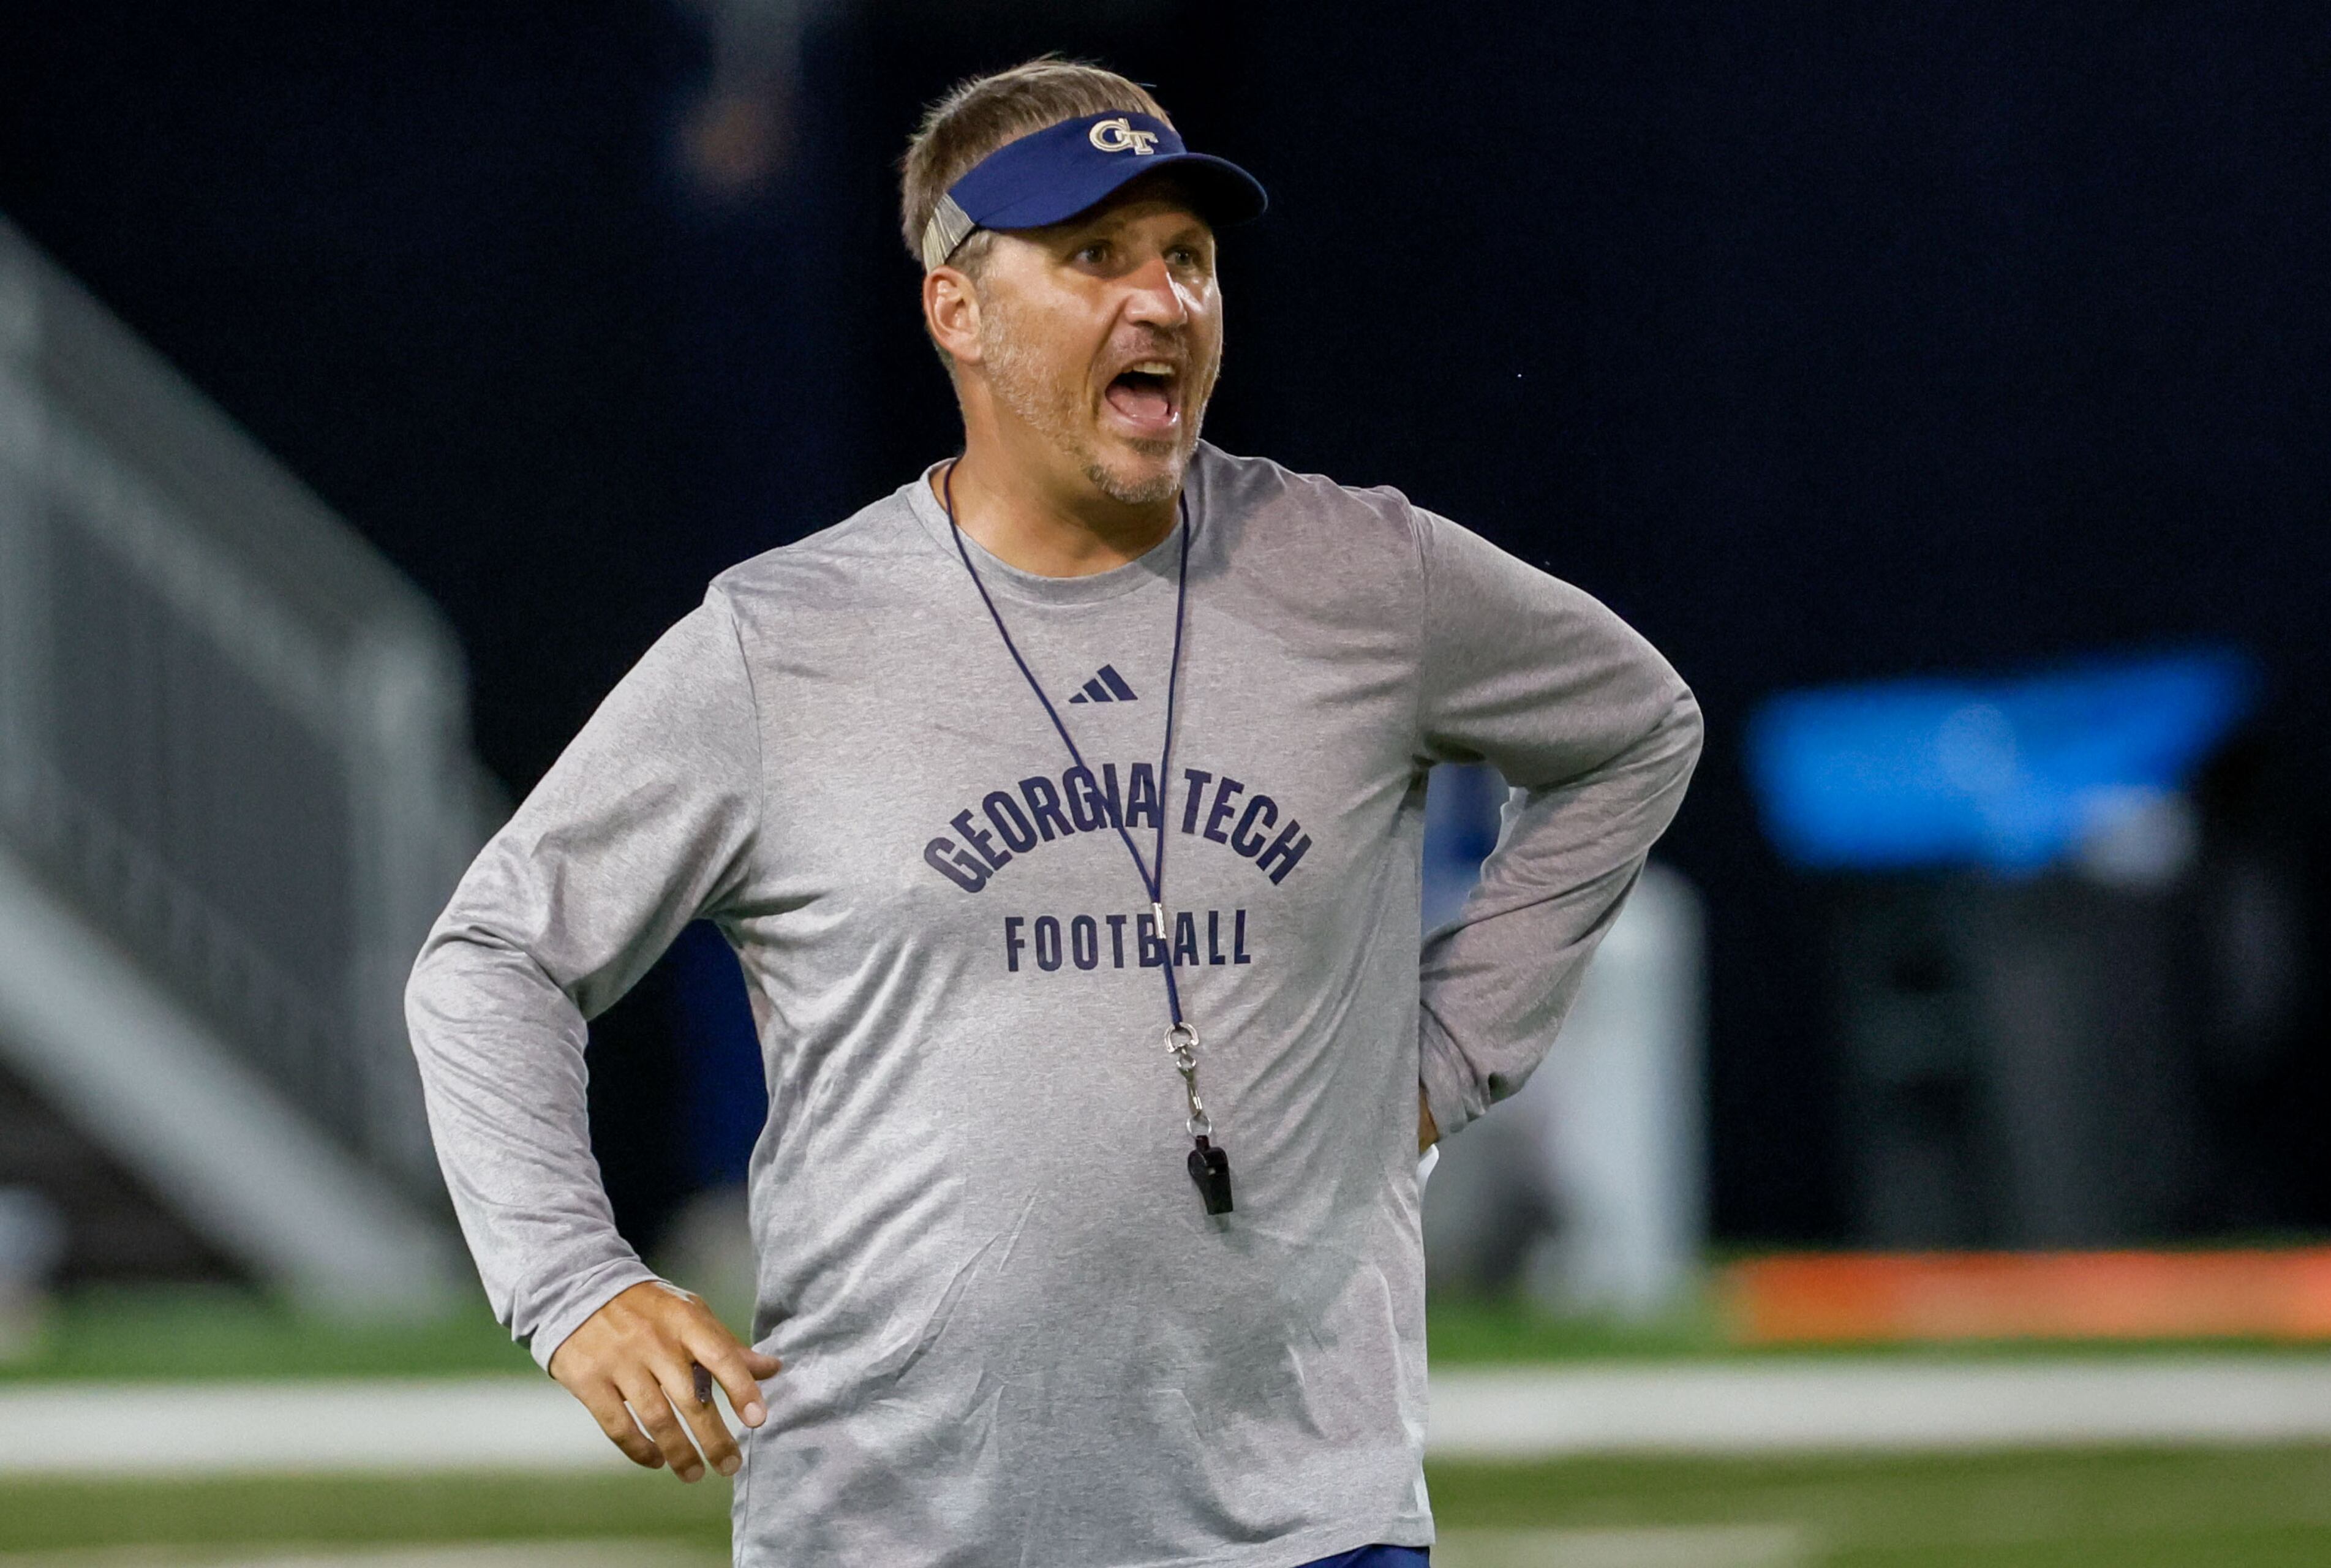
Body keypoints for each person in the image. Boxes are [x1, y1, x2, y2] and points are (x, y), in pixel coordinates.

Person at [406, 57, 1701, 1568]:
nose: (1161, 300)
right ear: (958, 310)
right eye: (1095, 258)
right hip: (892, 1526)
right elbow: (494, 954)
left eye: (1190, 259)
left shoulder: (1365, 578)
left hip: (1304, 1524)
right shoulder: (783, 641)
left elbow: (1633, 729)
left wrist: (1450, 1052)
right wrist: (571, 1280)